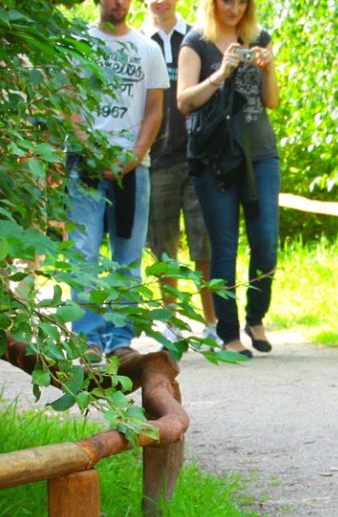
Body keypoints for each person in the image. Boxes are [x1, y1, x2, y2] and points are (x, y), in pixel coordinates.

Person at [177, 0, 280, 359]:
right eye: (227, 1)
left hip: (260, 151)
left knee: (266, 242)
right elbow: (184, 101)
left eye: (241, 1)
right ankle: (228, 332)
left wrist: (268, 70)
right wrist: (219, 74)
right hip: (215, 156)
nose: (234, 8)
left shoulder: (259, 37)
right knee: (224, 245)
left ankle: (256, 317)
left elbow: (272, 101)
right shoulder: (195, 42)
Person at [67, 0, 167, 356]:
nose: (117, 2)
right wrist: (91, 151)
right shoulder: (77, 43)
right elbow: (69, 104)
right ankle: (87, 339)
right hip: (85, 165)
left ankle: (120, 340)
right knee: (83, 254)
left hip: (133, 168)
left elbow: (154, 110)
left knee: (128, 256)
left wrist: (135, 155)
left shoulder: (147, 48)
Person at [144, 0, 215, 340]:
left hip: (199, 157)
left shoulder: (198, 37)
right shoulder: (140, 41)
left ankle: (212, 323)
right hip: (156, 160)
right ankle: (170, 322)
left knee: (206, 243)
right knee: (163, 244)